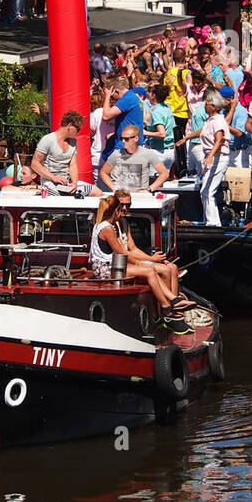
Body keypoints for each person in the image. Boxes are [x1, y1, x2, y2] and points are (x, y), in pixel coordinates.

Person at [87, 190, 191, 333]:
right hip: (106, 268)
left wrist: (148, 261)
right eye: (121, 207)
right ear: (115, 209)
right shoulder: (108, 228)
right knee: (152, 271)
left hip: (113, 264)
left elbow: (131, 249)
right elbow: (122, 252)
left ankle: (171, 306)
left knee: (168, 268)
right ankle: (167, 308)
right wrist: (147, 261)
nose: (124, 210)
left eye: (127, 205)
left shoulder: (113, 225)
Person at [31, 111, 92, 194]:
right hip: (49, 182)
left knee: (96, 192)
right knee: (57, 196)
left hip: (66, 183)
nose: (79, 131)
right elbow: (34, 164)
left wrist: (74, 183)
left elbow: (73, 164)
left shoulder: (73, 142)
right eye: (78, 128)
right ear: (70, 126)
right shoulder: (48, 139)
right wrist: (53, 177)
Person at [99, 125, 169, 193]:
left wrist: (150, 189)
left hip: (140, 198)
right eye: (121, 139)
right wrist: (114, 188)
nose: (123, 141)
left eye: (126, 139)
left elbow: (164, 173)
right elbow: (103, 172)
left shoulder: (147, 153)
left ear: (136, 138)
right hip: (122, 197)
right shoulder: (116, 154)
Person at [198, 92, 232, 226]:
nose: (205, 106)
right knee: (205, 192)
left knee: (208, 191)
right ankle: (211, 220)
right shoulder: (210, 120)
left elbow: (219, 140)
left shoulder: (218, 120)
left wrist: (210, 156)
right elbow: (203, 132)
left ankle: (214, 223)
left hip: (218, 157)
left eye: (207, 104)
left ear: (213, 106)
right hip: (210, 156)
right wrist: (187, 138)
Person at [100, 75, 144, 153]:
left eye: (112, 96)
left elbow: (106, 116)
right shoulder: (134, 97)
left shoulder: (126, 99)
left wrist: (107, 96)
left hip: (126, 147)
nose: (112, 99)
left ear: (116, 91)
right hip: (133, 145)